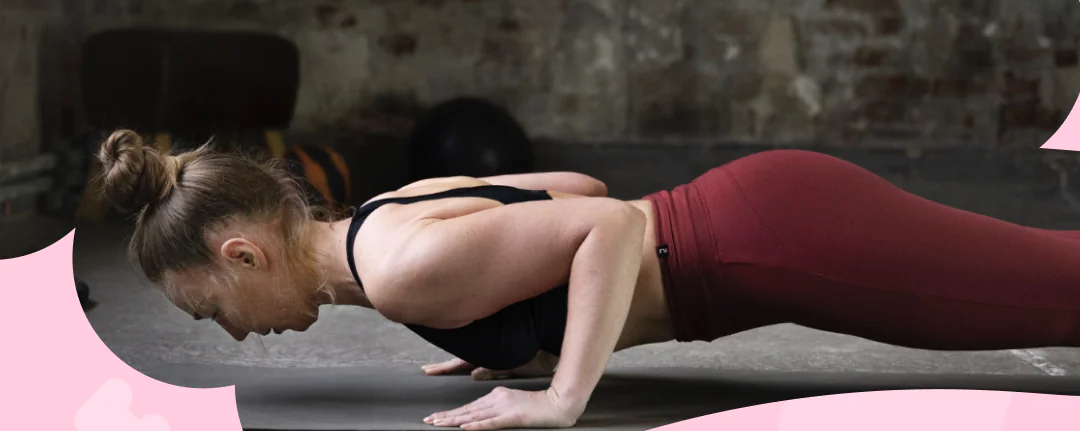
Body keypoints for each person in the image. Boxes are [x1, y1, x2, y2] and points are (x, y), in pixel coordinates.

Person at [97, 129, 1080, 430]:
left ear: (242, 256)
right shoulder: (387, 218)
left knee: (1060, 295)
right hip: (763, 215)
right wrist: (519, 318)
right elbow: (577, 189)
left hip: (772, 242)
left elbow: (608, 226)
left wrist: (563, 395)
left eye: (211, 311)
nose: (232, 334)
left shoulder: (399, 271)